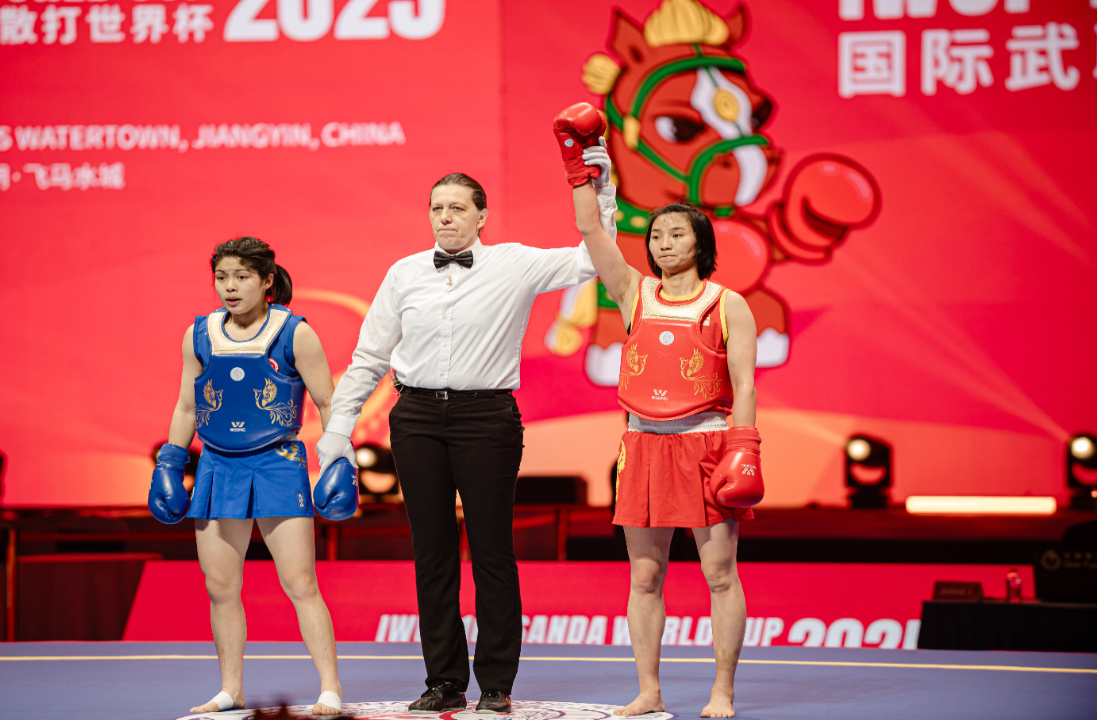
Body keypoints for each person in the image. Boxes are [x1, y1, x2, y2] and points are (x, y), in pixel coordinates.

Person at [315, 170, 611, 715]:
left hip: (487, 418)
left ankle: (496, 684)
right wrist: (338, 428)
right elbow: (370, 357)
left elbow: (592, 259)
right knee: (432, 553)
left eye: (456, 208)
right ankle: (444, 681)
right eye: (437, 208)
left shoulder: (515, 263)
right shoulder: (403, 273)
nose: (445, 217)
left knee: (492, 550)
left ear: (482, 216)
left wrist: (602, 192)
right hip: (416, 418)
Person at [555, 104, 764, 719]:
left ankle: (722, 691)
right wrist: (578, 170)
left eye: (676, 234)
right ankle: (648, 691)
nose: (663, 243)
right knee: (644, 577)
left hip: (708, 444)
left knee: (719, 575)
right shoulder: (632, 293)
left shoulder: (728, 303)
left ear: (701, 243)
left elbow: (745, 384)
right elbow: (592, 233)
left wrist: (743, 447)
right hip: (643, 444)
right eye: (655, 236)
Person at [148, 237, 345, 715]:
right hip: (217, 465)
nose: (230, 287)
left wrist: (340, 459)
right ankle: (230, 690)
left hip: (278, 464)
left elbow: (328, 401)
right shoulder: (198, 334)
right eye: (221, 278)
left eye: (241, 277)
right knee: (220, 587)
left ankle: (330, 688)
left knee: (300, 582)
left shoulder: (295, 333)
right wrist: (171, 461)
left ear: (267, 280)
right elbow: (187, 406)